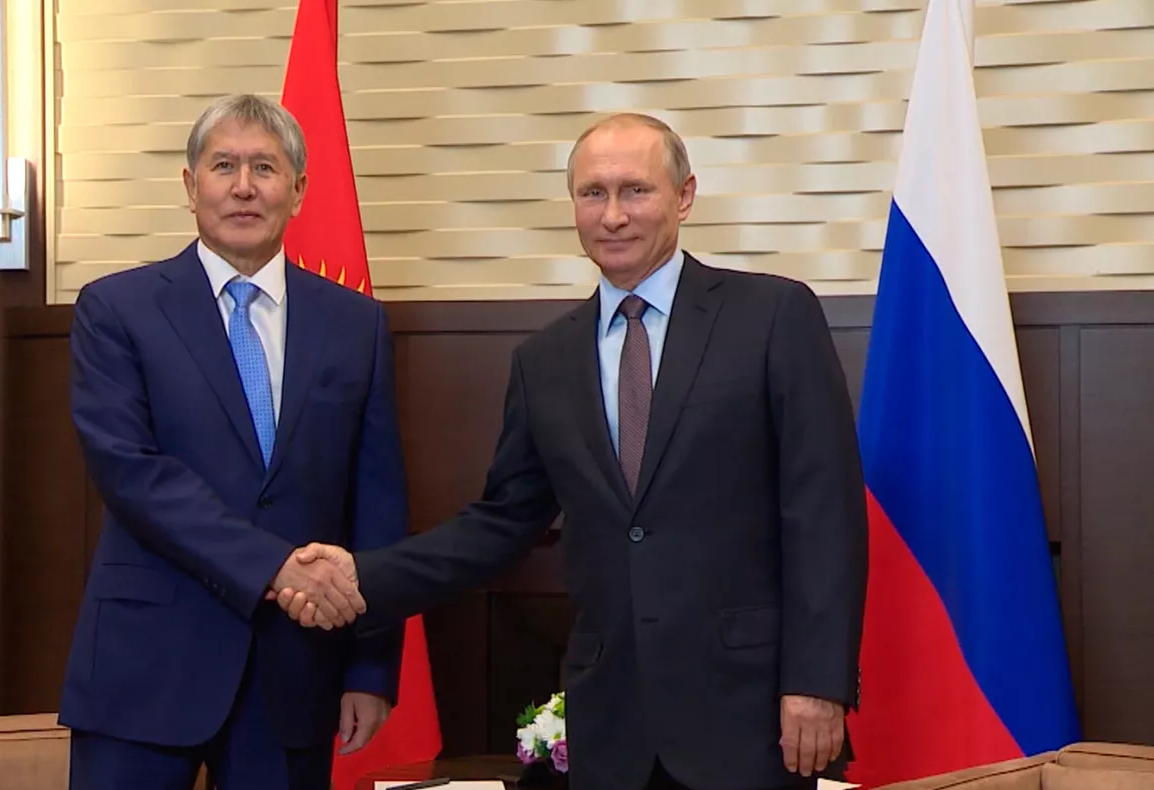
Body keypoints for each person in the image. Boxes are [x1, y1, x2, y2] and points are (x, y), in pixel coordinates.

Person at [276, 113, 869, 790]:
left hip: (752, 716)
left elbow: (824, 512)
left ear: (684, 196)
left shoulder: (772, 316)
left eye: (635, 190)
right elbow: (501, 524)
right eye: (593, 193)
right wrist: (362, 576)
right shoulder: (545, 360)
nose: (612, 215)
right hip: (611, 727)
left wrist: (817, 682)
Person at [57, 93, 407, 790]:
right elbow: (131, 474)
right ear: (191, 186)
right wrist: (276, 567)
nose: (244, 187)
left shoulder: (355, 324)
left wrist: (370, 667)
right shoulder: (117, 309)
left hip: (297, 671)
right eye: (224, 166)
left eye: (264, 168)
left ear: (298, 190)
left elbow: (376, 502)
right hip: (145, 666)